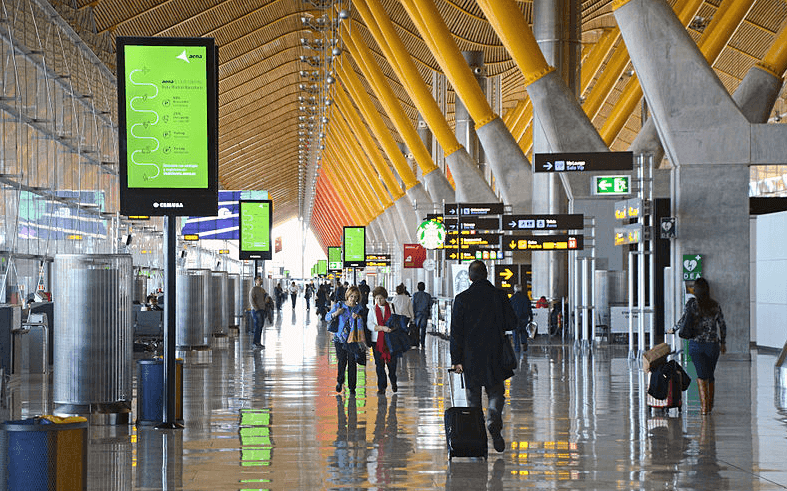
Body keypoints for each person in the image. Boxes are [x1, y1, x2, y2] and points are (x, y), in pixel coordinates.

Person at [450, 260, 516, 453]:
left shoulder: (462, 299)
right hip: (495, 354)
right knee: (496, 392)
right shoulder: (499, 296)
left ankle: (478, 438)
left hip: (471, 357)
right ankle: (493, 419)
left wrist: (456, 360)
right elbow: (512, 322)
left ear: (469, 277)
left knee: (473, 399)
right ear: (487, 275)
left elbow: (456, 333)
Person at [669, 278, 726, 415]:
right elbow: (722, 325)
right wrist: (723, 342)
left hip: (696, 345)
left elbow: (684, 320)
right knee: (710, 375)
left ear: (696, 290)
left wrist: (673, 329)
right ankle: (709, 406)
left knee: (701, 375)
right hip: (712, 345)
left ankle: (704, 408)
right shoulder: (715, 305)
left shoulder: (692, 304)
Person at [326, 286, 366, 395]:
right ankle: (340, 381)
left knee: (352, 363)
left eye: (355, 297)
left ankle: (352, 387)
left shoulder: (359, 308)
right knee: (342, 362)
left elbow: (362, 324)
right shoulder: (340, 305)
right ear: (347, 295)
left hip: (353, 339)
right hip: (340, 339)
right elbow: (327, 317)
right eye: (351, 296)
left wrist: (358, 317)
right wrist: (336, 313)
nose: (353, 299)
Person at [367, 286, 399, 394]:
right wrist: (382, 328)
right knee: (379, 365)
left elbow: (397, 321)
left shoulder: (392, 307)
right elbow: (369, 324)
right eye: (376, 298)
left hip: (391, 340)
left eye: (380, 298)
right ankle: (382, 387)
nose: (379, 301)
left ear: (385, 297)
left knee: (392, 364)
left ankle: (393, 381)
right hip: (377, 341)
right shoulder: (372, 309)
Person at [509, 284, 533, 354]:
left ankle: (517, 348)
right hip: (524, 318)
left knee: (515, 333)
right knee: (523, 331)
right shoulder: (525, 297)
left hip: (515, 318)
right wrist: (531, 317)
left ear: (515, 290)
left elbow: (509, 309)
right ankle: (524, 344)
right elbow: (529, 308)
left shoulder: (512, 298)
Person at [411, 282, 433, 349]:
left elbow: (413, 304)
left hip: (417, 314)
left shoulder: (415, 295)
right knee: (423, 329)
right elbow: (431, 304)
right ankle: (422, 343)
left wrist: (413, 314)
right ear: (424, 287)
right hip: (424, 313)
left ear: (418, 287)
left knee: (416, 329)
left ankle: (417, 343)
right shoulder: (428, 295)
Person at [249, 276, 268, 349]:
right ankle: (255, 343)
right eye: (259, 280)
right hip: (256, 311)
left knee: (260, 327)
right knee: (257, 326)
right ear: (255, 281)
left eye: (261, 280)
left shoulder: (262, 290)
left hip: (262, 310)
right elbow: (251, 300)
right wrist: (256, 309)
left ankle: (258, 342)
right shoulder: (253, 289)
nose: (260, 281)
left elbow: (264, 299)